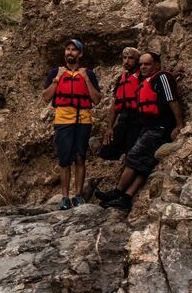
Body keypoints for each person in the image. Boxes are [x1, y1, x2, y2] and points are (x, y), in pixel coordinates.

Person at [104, 50, 183, 210]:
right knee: (144, 163)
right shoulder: (147, 80)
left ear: (157, 65)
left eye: (147, 64)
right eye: (141, 64)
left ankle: (118, 193)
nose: (143, 67)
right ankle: (126, 198)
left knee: (134, 156)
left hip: (160, 127)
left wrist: (179, 125)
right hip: (148, 126)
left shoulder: (162, 77)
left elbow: (172, 101)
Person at [47, 39, 101, 210]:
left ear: (80, 54)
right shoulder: (55, 72)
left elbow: (97, 99)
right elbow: (45, 97)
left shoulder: (89, 74)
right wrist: (56, 80)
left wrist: (85, 79)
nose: (70, 52)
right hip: (63, 119)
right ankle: (64, 197)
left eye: (74, 50)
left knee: (80, 157)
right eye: (68, 49)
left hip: (83, 119)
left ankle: (78, 195)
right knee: (64, 159)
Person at [97, 46, 142, 166]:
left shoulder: (142, 76)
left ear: (137, 60)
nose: (126, 61)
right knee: (106, 151)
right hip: (123, 119)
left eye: (131, 58)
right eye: (124, 58)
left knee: (131, 152)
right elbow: (115, 104)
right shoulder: (120, 79)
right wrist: (110, 127)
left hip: (137, 120)